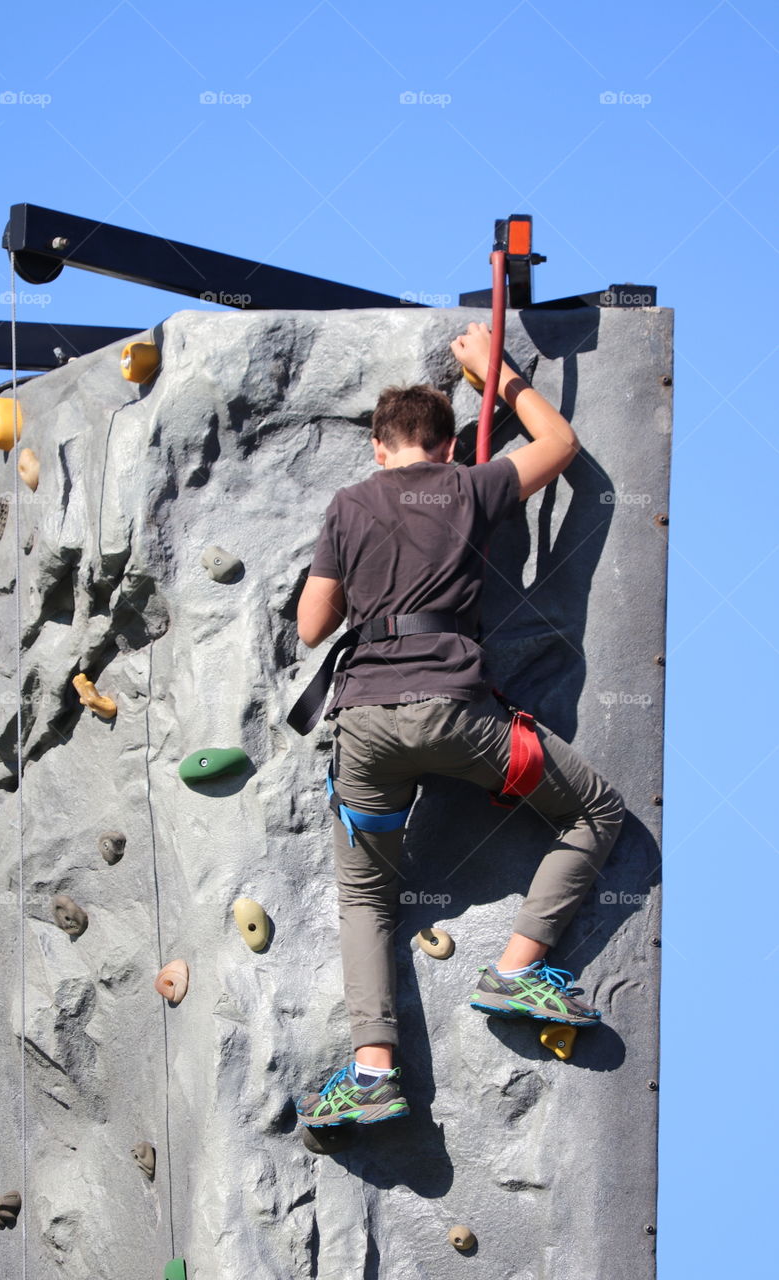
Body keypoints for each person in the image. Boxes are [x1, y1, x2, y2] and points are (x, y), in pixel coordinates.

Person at [293, 321, 625, 1129]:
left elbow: (310, 627)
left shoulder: (346, 505)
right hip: (457, 719)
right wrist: (495, 374)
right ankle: (516, 969)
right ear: (448, 448)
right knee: (593, 813)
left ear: (378, 448)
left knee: (366, 898)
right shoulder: (471, 486)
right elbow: (560, 443)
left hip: (365, 726)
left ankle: (374, 1073)